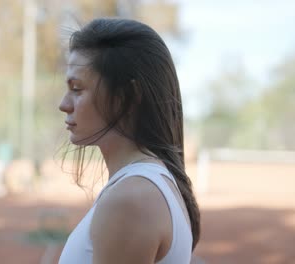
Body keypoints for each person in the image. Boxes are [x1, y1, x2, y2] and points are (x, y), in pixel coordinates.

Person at [57, 18, 201, 264]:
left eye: (77, 89)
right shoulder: (145, 186)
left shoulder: (132, 198)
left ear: (127, 96)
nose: (64, 104)